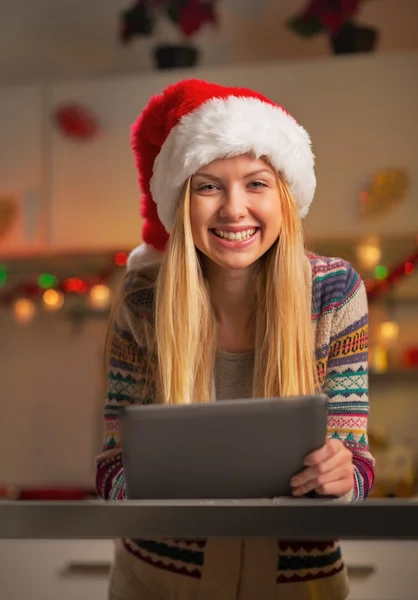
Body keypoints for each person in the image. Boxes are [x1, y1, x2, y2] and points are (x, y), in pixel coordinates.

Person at [95, 79, 375, 600]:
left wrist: (342, 476)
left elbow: (355, 464)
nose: (233, 208)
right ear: (182, 201)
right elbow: (112, 466)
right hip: (160, 581)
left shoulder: (334, 294)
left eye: (256, 183)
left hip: (296, 584)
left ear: (284, 196)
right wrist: (148, 482)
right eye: (208, 186)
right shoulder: (142, 301)